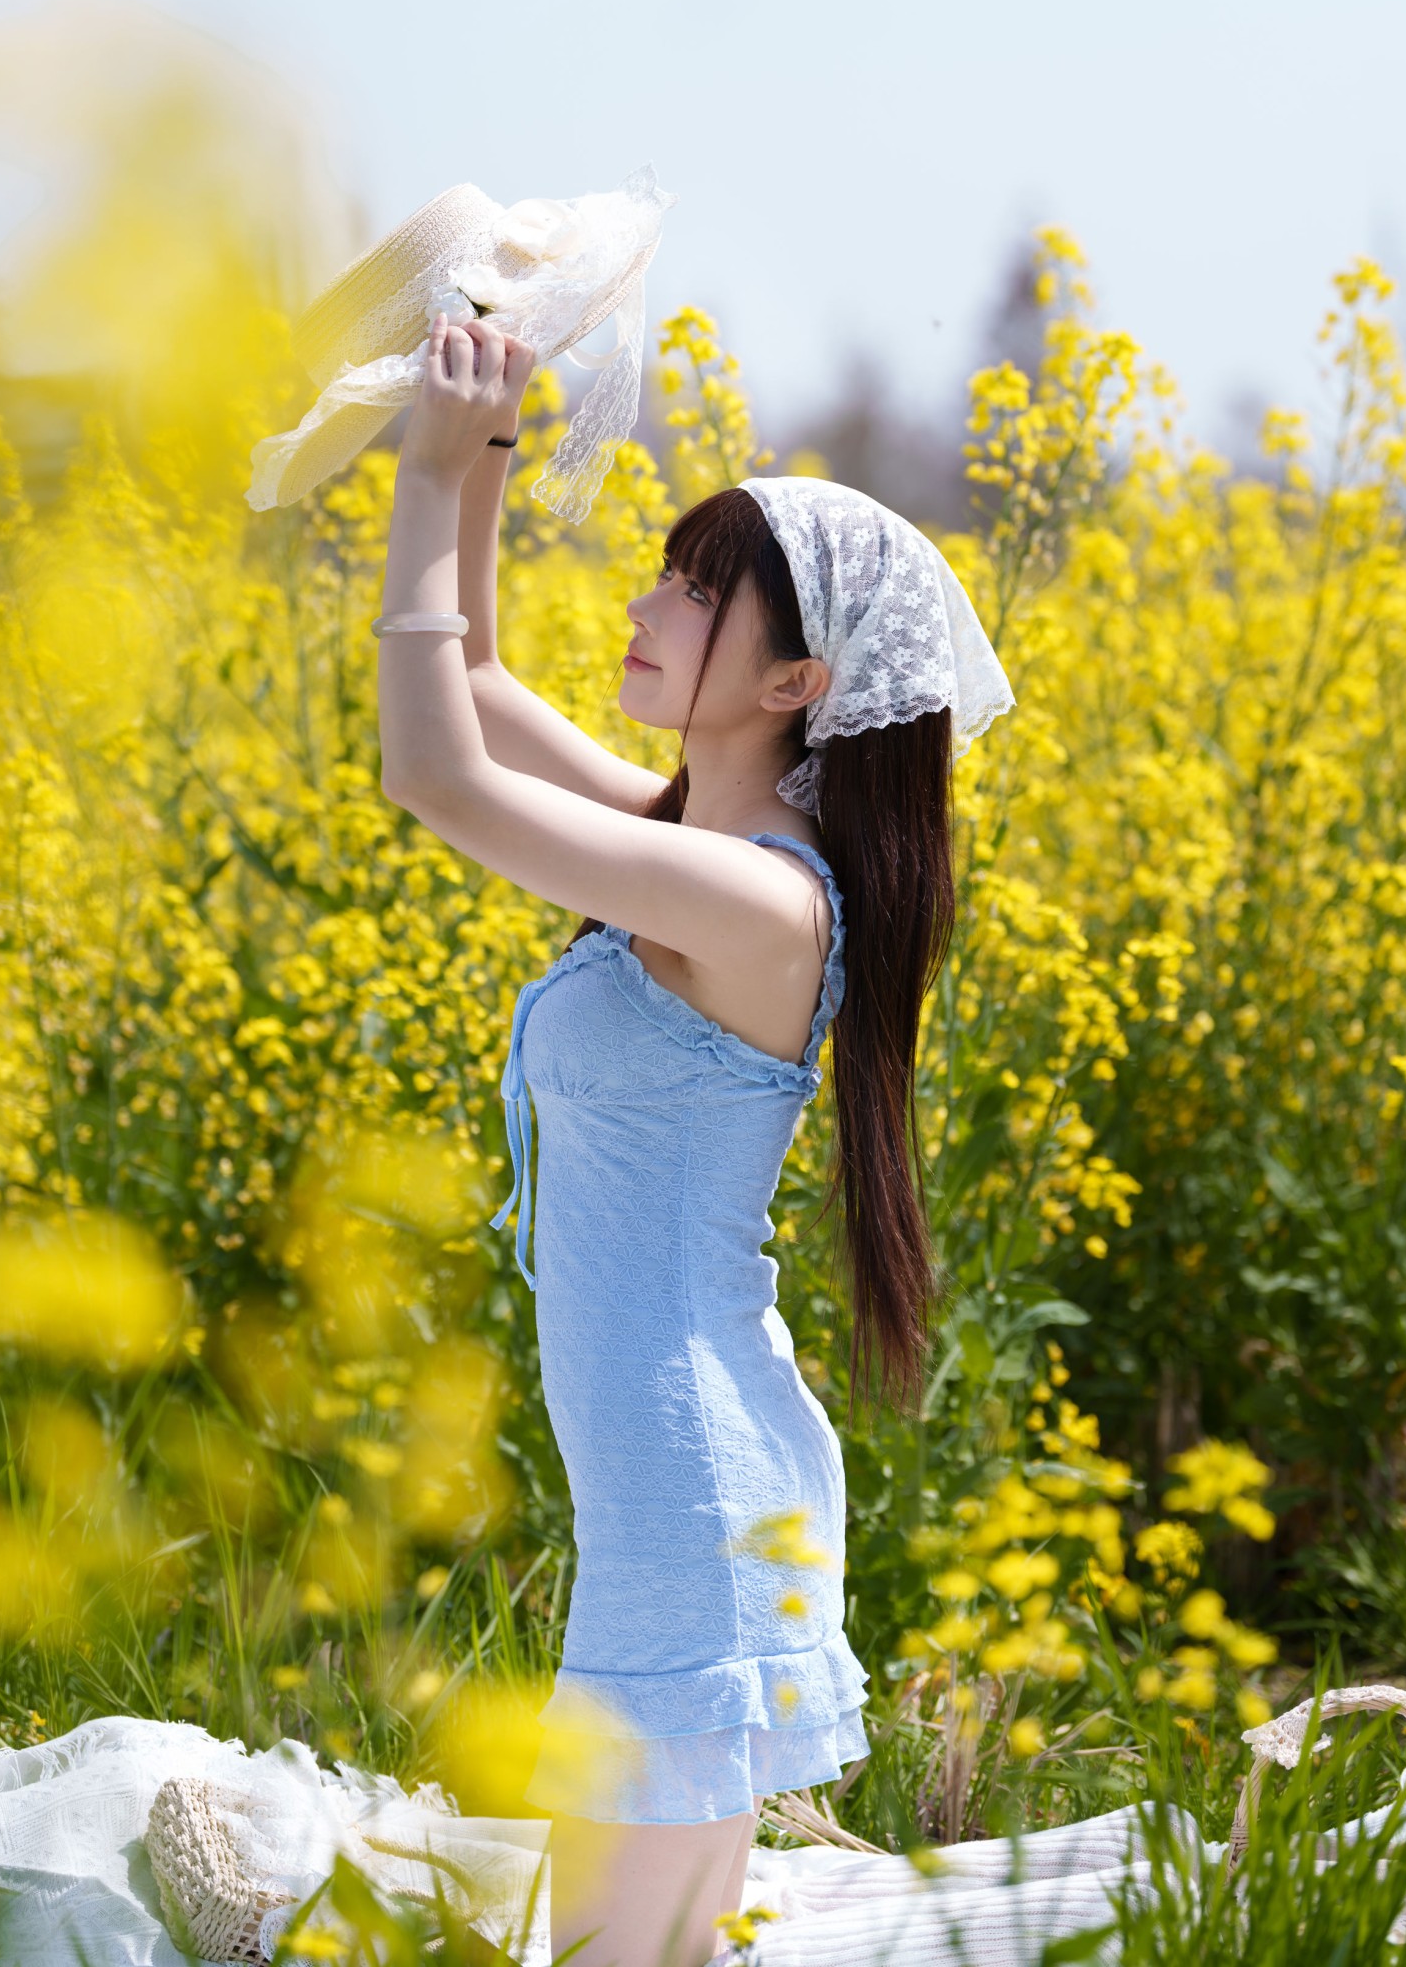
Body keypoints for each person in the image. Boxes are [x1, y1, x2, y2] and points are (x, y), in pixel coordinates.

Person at [374, 311, 1015, 1967]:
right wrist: (484, 454)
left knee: (608, 1955)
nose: (648, 606)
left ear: (799, 681)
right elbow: (487, 684)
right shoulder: (696, 837)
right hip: (687, 1473)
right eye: (661, 571)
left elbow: (432, 770)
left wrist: (423, 480)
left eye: (695, 589)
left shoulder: (750, 896)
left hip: (689, 1491)